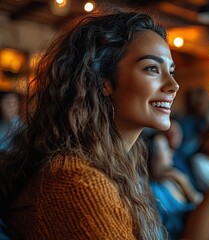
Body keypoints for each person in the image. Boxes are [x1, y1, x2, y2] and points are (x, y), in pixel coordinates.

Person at [0, 10, 179, 239]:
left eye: (171, 71)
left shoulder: (118, 164)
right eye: (152, 68)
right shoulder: (79, 183)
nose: (173, 85)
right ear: (104, 82)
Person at [147, 132, 209, 239]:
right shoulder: (152, 190)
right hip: (180, 235)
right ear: (151, 155)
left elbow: (197, 201)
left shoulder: (173, 181)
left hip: (197, 227)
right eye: (166, 148)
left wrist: (184, 184)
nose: (171, 152)